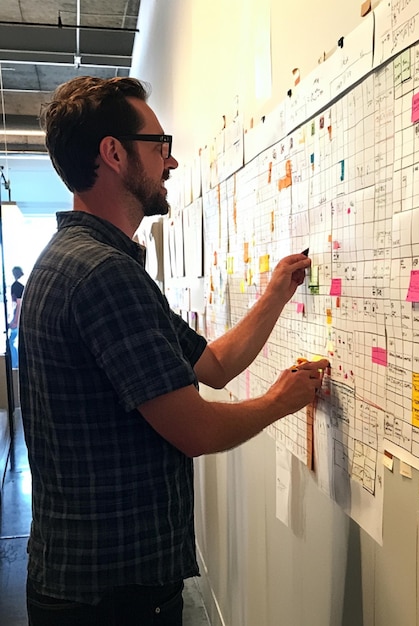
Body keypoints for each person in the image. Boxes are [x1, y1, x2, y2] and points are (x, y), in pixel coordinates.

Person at [19, 76, 329, 626]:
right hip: (110, 599)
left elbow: (213, 366)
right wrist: (282, 400)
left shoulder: (87, 260)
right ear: (114, 153)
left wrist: (276, 295)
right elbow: (196, 430)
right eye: (159, 144)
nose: (172, 162)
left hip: (91, 586)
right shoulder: (103, 275)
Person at [8, 265, 24, 368]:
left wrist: (15, 321)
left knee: (11, 342)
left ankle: (15, 365)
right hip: (20, 317)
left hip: (18, 317)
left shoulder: (16, 285)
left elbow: (19, 303)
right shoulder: (22, 285)